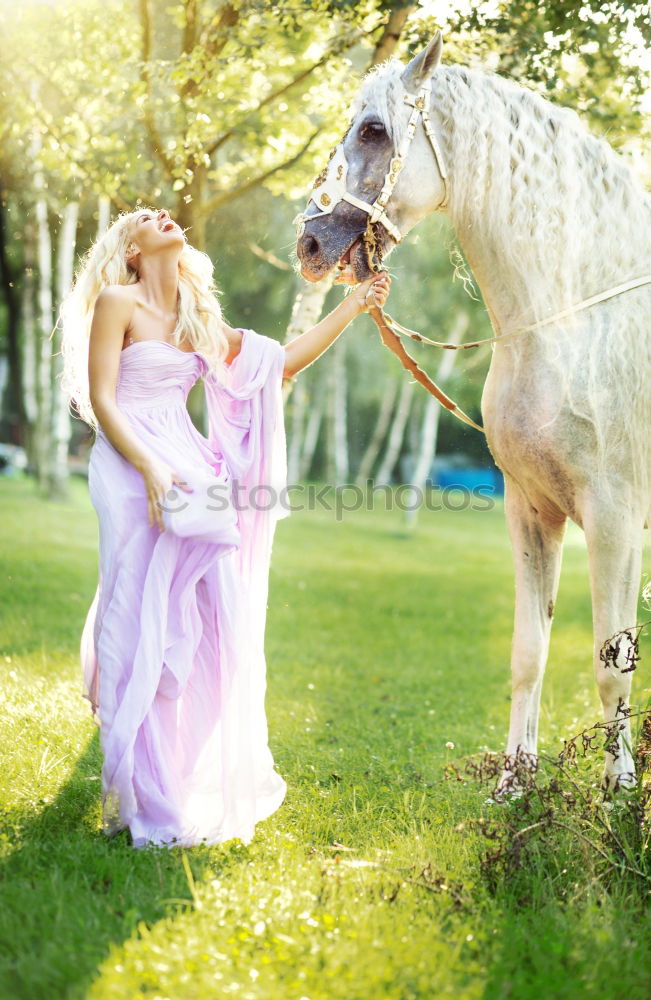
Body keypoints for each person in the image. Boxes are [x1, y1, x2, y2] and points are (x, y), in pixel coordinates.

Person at [59, 207, 390, 849]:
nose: (162, 213)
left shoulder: (194, 314)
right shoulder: (116, 301)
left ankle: (183, 777)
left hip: (188, 462)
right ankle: (146, 797)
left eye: (165, 211)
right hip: (129, 462)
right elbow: (103, 399)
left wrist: (353, 309)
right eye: (144, 217)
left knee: (214, 620)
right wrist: (151, 468)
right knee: (141, 617)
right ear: (131, 249)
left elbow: (279, 364)